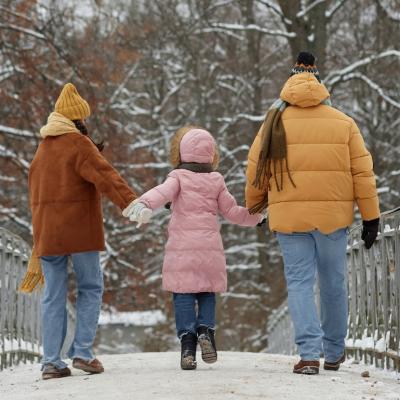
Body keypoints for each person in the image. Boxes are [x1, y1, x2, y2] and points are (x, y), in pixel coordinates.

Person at [245, 52, 380, 375]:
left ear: (288, 84)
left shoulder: (274, 122)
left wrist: (257, 206)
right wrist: (371, 217)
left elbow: (255, 169)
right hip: (332, 218)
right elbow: (362, 172)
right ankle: (333, 352)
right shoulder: (343, 122)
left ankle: (308, 354)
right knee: (333, 282)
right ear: (320, 85)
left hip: (290, 220)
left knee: (300, 283)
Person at [125, 126, 263, 370]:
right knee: (207, 292)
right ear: (211, 154)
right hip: (209, 248)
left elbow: (161, 193)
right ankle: (205, 331)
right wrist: (258, 218)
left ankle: (187, 347)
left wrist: (143, 203)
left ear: (182, 153)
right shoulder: (216, 180)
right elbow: (232, 212)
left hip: (182, 249)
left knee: (183, 293)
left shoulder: (177, 177)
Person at [27, 83, 138, 380]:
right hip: (79, 231)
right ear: (78, 119)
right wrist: (131, 204)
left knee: (53, 295)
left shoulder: (42, 149)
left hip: (47, 233)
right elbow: (106, 176)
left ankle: (51, 361)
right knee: (90, 287)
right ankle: (83, 354)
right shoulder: (78, 143)